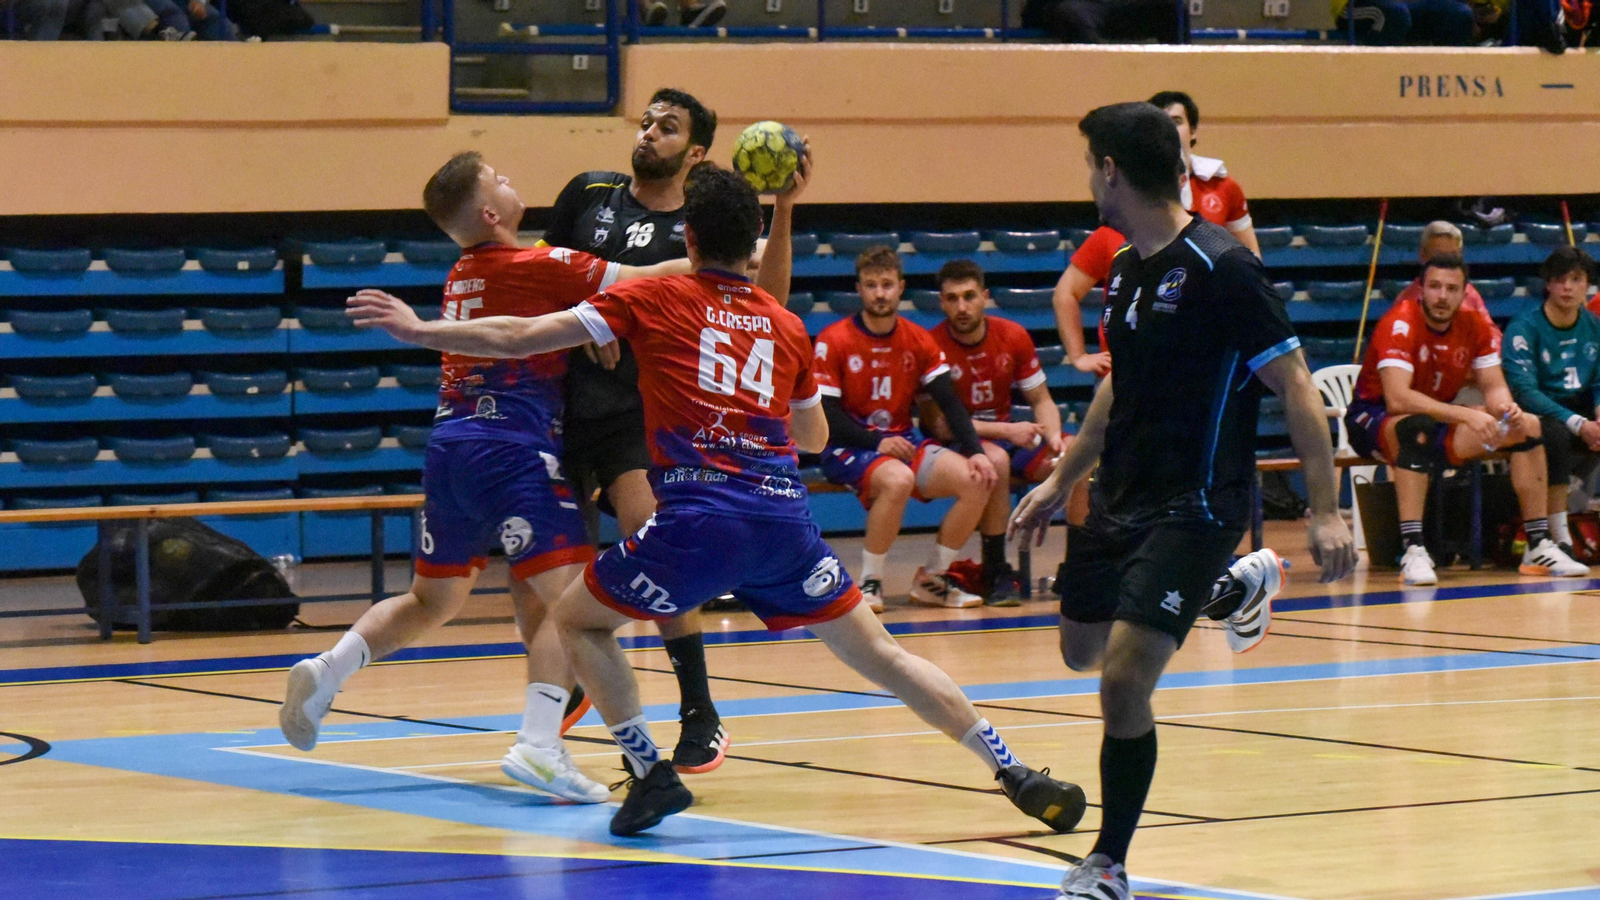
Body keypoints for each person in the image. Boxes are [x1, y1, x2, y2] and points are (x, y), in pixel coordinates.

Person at [348, 158, 1092, 842]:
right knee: (884, 656)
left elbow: (518, 335)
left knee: (575, 618)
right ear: (752, 244)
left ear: (692, 237)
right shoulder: (787, 323)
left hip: (698, 519)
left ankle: (649, 772)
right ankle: (1012, 768)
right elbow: (811, 437)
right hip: (785, 521)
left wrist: (420, 330)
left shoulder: (653, 293)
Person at [1010, 102, 1357, 900]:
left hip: (1196, 502)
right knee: (1081, 650)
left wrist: (1327, 508)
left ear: (1111, 169)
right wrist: (1063, 480)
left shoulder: (1224, 267)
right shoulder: (1128, 266)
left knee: (1123, 682)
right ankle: (1234, 587)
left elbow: (1297, 386)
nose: (1084, 179)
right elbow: (1118, 385)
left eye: (1087, 163)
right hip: (1120, 495)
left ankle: (1108, 863)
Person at [280, 152, 689, 805]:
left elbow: (547, 314)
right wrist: (727, 254)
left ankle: (330, 669)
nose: (508, 176)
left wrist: (595, 321)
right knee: (574, 604)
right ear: (492, 213)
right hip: (515, 448)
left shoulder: (461, 274)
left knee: (432, 601)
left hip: (450, 445)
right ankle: (539, 743)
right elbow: (646, 277)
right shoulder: (540, 263)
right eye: (496, 177)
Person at [540, 87, 731, 773]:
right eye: (647, 121)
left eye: (669, 127)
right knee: (552, 568)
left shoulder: (700, 228)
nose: (650, 133)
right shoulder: (587, 193)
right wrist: (593, 316)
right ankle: (561, 691)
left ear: (697, 152)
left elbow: (711, 308)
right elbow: (534, 276)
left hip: (638, 415)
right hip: (558, 404)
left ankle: (698, 708)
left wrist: (629, 322)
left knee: (657, 547)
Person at [1345, 253, 1580, 583]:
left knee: (1526, 427)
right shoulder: (1399, 322)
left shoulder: (1475, 326)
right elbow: (1398, 399)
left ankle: (1538, 543)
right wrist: (1465, 415)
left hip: (1435, 416)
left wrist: (1505, 409)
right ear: (1421, 289)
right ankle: (1414, 549)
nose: (1442, 296)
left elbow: (1494, 386)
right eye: (1435, 287)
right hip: (1372, 417)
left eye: (1452, 289)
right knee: (1417, 429)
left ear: (1464, 292)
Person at [813, 246, 1000, 611]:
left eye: (886, 285)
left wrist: (976, 451)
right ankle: (870, 583)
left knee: (979, 478)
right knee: (898, 479)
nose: (880, 293)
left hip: (900, 443)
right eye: (871, 285)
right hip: (847, 445)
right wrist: (875, 442)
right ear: (859, 290)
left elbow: (949, 403)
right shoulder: (834, 340)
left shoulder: (918, 339)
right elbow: (826, 416)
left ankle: (933, 579)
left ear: (900, 287)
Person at [922, 258, 1068, 604]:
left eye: (969, 296)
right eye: (953, 298)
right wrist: (1005, 430)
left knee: (1074, 457)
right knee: (996, 459)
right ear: (941, 302)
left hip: (1005, 434)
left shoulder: (1012, 335)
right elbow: (937, 424)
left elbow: (1042, 399)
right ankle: (996, 569)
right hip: (959, 443)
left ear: (985, 296)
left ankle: (1077, 566)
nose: (962, 306)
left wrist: (1054, 436)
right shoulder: (930, 344)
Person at [1502, 246, 1600, 565]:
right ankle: (1559, 538)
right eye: (1560, 280)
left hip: (1583, 412)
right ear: (1548, 284)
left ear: (1588, 284)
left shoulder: (1594, 326)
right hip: (1539, 413)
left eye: (1576, 279)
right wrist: (1578, 423)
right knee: (1555, 435)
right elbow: (1525, 391)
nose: (1567, 287)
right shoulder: (1524, 327)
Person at [1394, 220, 1494, 327]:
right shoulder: (1406, 301)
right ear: (1422, 255)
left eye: (1453, 255)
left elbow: (1491, 334)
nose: (1447, 263)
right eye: (1439, 256)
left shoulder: (1471, 295)